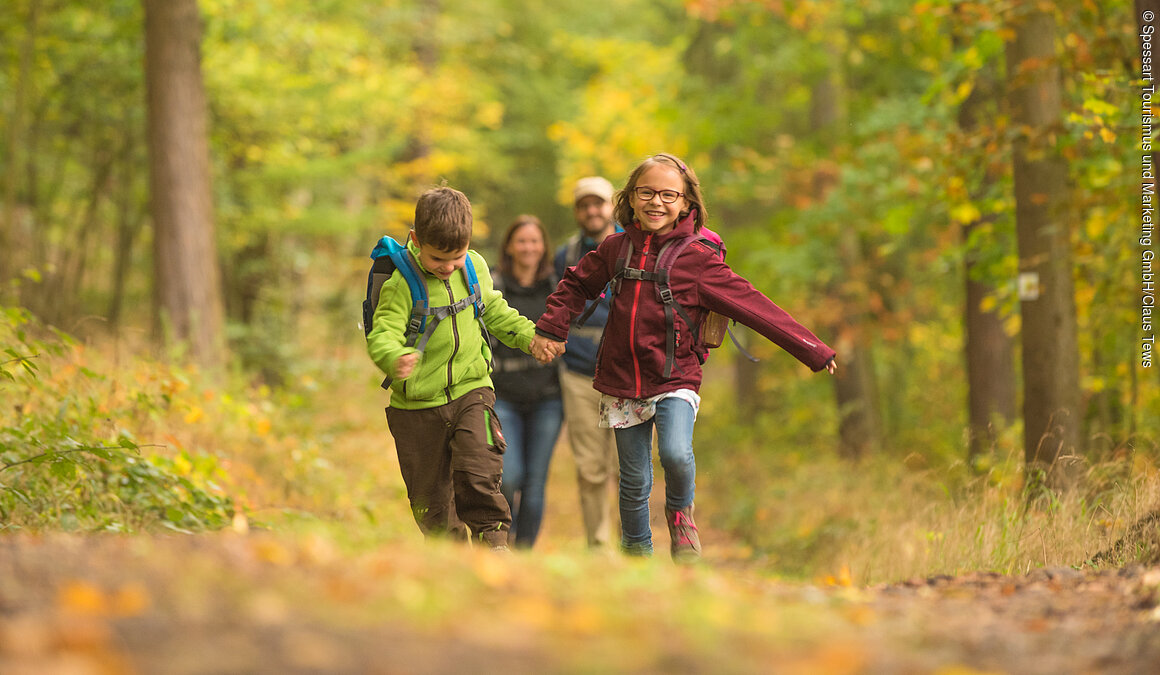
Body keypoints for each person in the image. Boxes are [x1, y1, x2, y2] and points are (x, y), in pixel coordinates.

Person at [535, 154, 838, 561]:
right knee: (634, 479)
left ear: (686, 202)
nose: (656, 202)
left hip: (675, 376)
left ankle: (680, 513)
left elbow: (754, 306)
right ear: (630, 197)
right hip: (622, 379)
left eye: (667, 194)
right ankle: (637, 555)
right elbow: (574, 285)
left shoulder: (697, 257)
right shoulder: (615, 248)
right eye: (646, 192)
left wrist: (812, 350)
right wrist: (553, 328)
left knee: (676, 453)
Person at [367, 187, 562, 550]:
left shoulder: (474, 268)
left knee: (480, 469)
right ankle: (453, 560)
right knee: (433, 503)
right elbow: (382, 333)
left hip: (473, 389)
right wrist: (394, 356)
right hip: (417, 407)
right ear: (415, 241)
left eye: (455, 257)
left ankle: (495, 543)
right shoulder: (401, 285)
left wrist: (531, 338)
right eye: (438, 258)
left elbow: (496, 312)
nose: (447, 267)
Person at [554, 177, 621, 548]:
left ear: (612, 206)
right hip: (579, 375)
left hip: (630, 374)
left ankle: (636, 544)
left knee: (629, 467)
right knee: (591, 467)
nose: (592, 211)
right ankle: (599, 547)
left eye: (599, 203)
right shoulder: (565, 255)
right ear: (577, 212)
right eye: (584, 205)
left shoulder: (637, 247)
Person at [491, 215, 564, 548]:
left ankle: (524, 552)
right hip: (503, 396)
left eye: (534, 241)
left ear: (543, 247)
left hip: (548, 399)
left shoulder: (557, 287)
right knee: (510, 478)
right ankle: (506, 538)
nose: (528, 247)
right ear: (509, 245)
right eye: (521, 240)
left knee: (535, 482)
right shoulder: (493, 285)